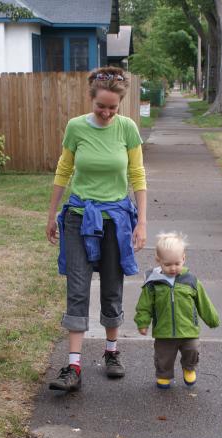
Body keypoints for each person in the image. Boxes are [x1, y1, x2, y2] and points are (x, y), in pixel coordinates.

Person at [45, 66, 147, 392]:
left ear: (120, 104)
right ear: (92, 100)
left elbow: (137, 175)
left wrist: (141, 222)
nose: (106, 112)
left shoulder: (127, 129)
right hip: (79, 217)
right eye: (101, 106)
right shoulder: (76, 127)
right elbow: (63, 170)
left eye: (112, 108)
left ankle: (111, 352)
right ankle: (73, 366)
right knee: (77, 288)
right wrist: (51, 214)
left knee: (112, 287)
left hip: (116, 220)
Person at [134, 232, 219, 389]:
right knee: (163, 355)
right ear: (158, 260)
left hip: (188, 329)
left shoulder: (191, 281)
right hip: (164, 330)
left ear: (184, 258)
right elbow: (144, 306)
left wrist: (212, 319)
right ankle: (164, 375)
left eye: (177, 263)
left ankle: (189, 368)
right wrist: (143, 322)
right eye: (167, 264)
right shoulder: (153, 283)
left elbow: (203, 302)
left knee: (192, 350)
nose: (173, 268)